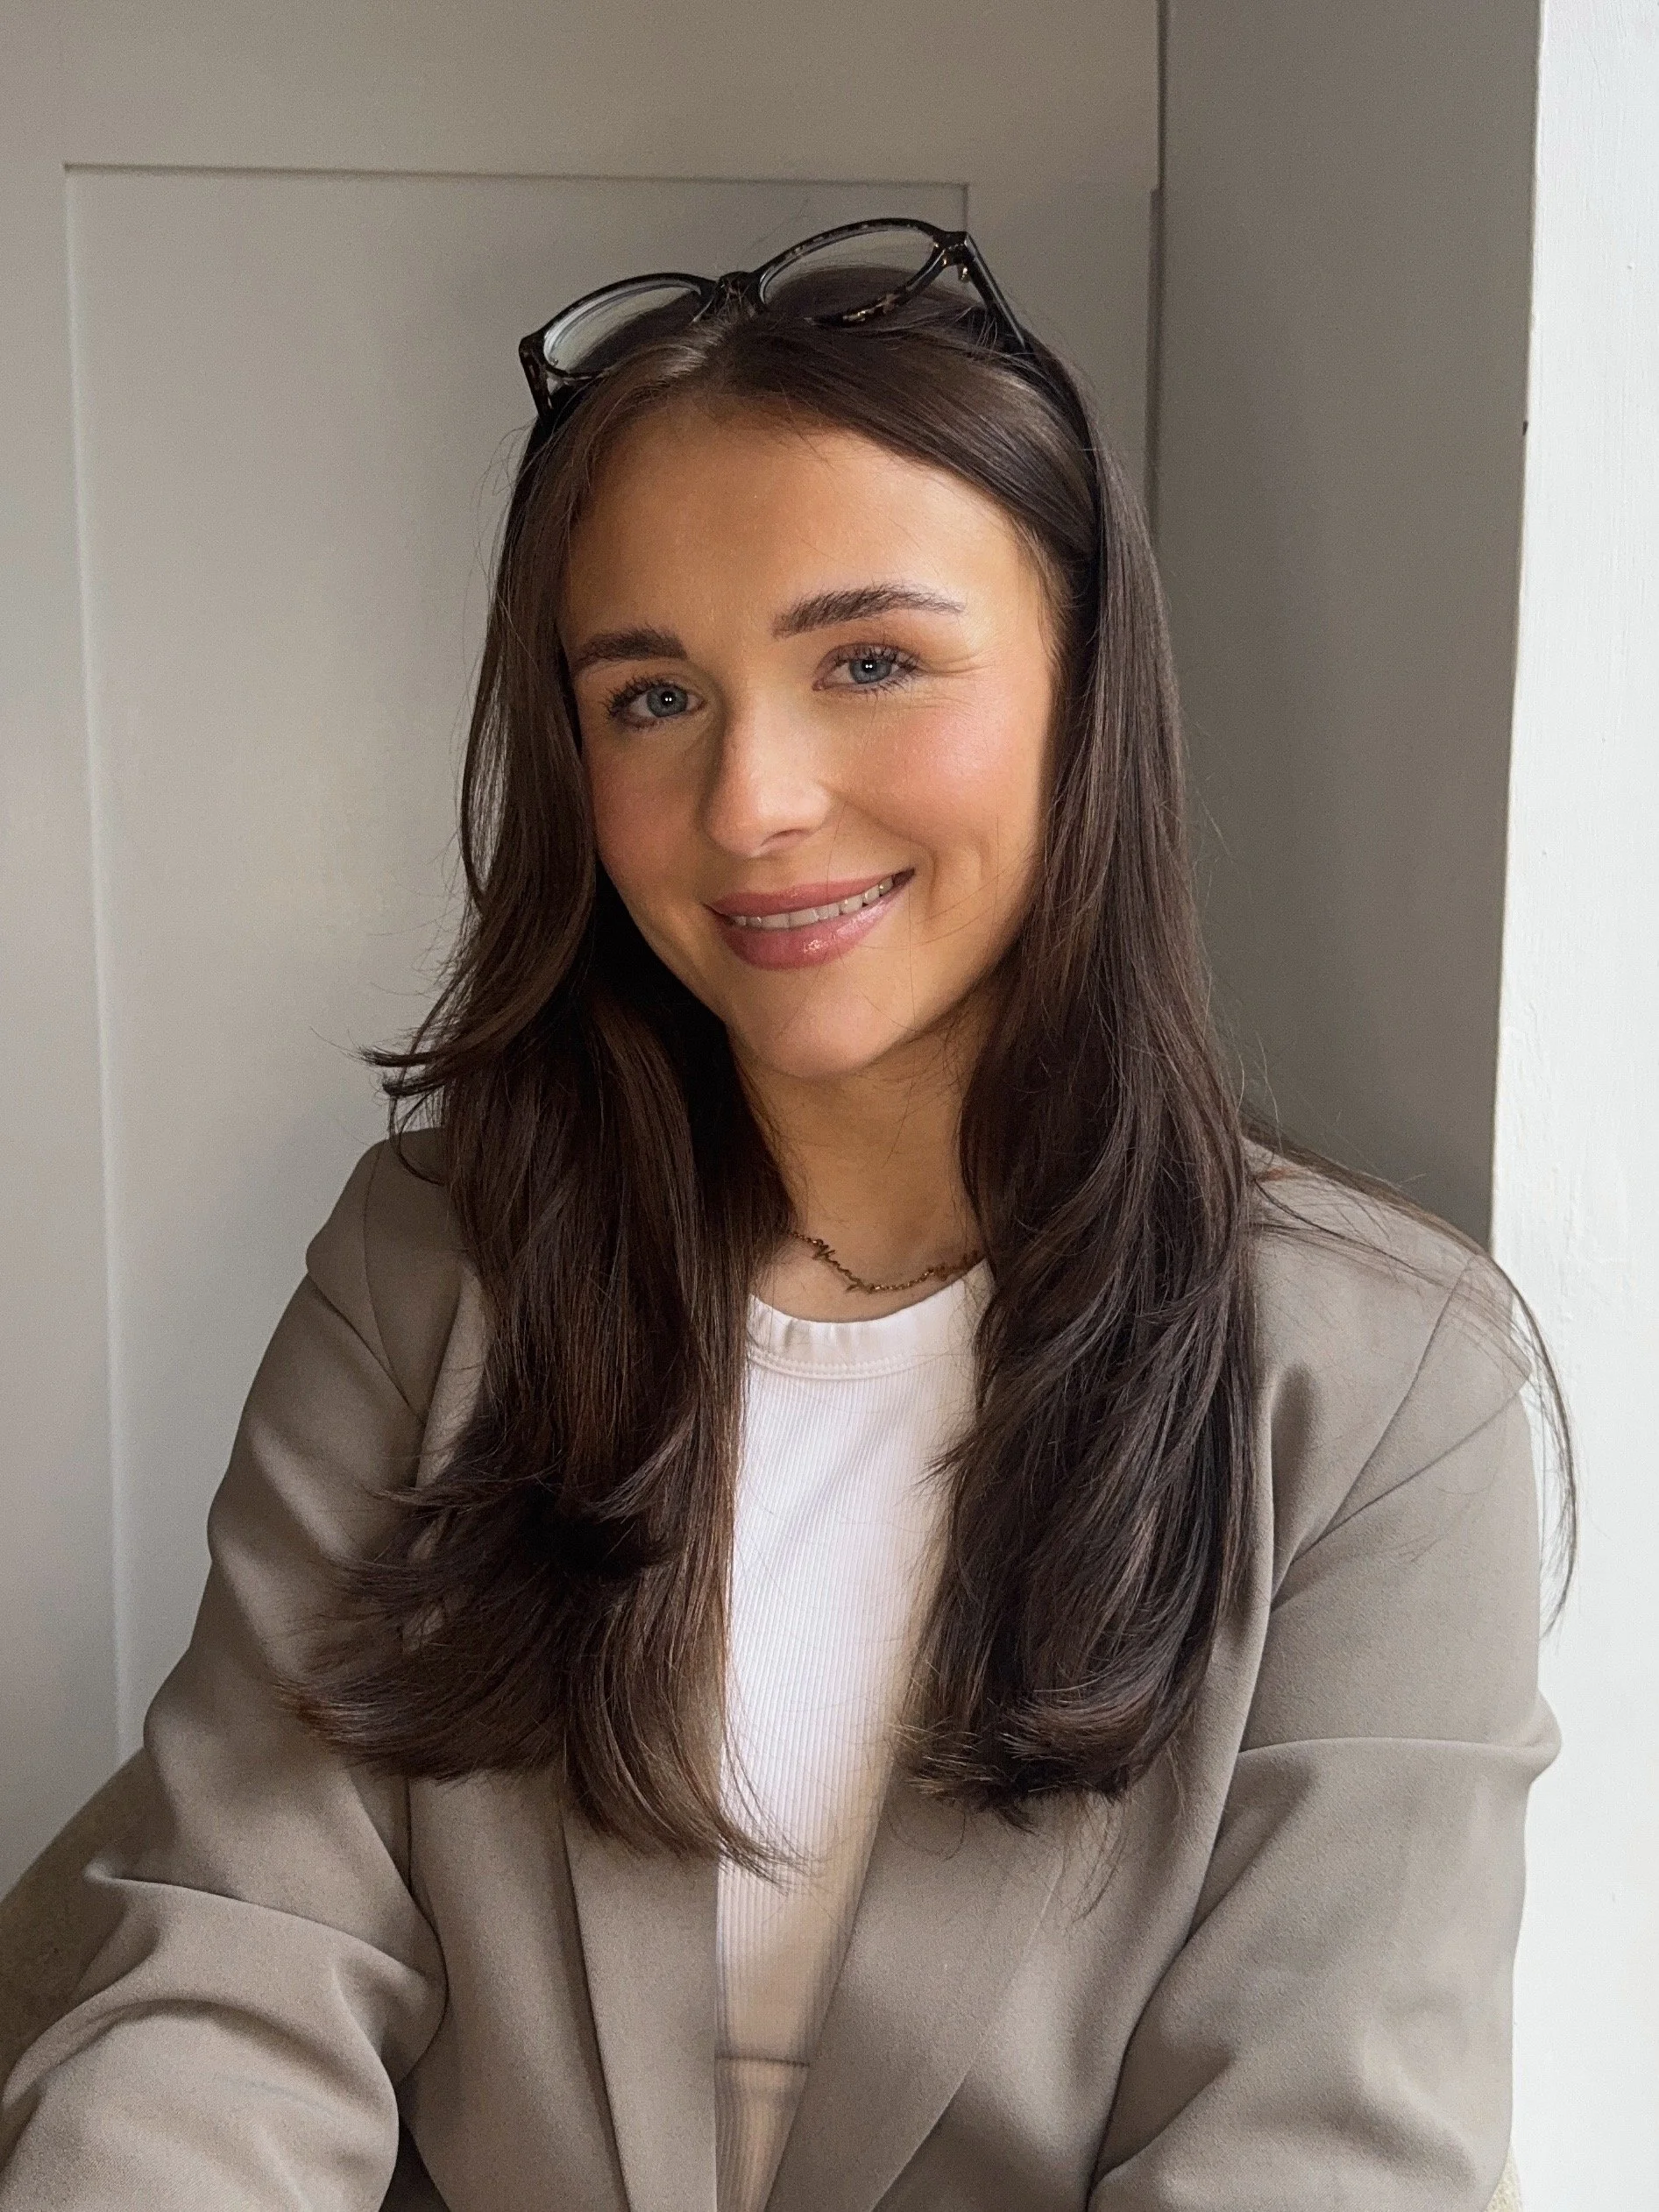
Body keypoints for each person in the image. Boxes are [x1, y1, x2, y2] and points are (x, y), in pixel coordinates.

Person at [0, 220, 1564, 2211]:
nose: (751, 801)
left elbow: (1322, 2149)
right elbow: (237, 1972)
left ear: (1088, 685)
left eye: (870, 661)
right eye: (650, 697)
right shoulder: (436, 1263)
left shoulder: (1378, 1382)